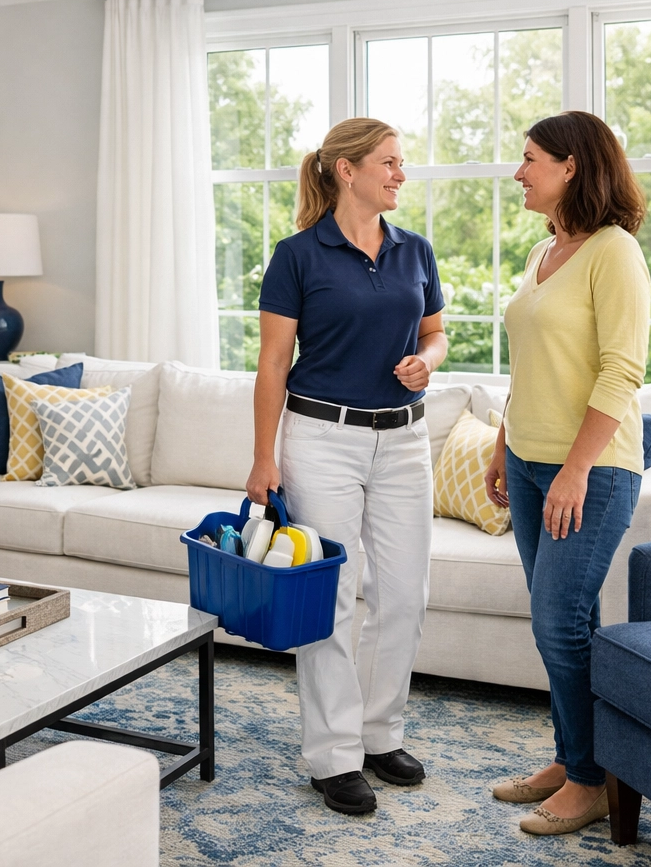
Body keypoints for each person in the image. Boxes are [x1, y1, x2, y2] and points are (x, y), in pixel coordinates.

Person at [248, 117, 447, 816]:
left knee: (404, 595)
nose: (400, 174)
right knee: (334, 597)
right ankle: (333, 756)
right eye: (389, 162)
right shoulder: (297, 255)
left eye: (401, 163)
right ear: (346, 170)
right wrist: (262, 458)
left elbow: (435, 331)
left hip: (404, 441)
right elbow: (274, 363)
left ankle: (379, 733)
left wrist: (431, 361)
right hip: (320, 439)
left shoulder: (414, 249)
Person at [483, 110, 650, 835]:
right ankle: (575, 756)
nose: (519, 172)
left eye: (529, 159)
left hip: (591, 469)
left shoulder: (614, 252)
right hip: (526, 461)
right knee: (565, 619)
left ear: (571, 166)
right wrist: (501, 439)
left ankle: (590, 781)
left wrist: (576, 469)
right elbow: (533, 366)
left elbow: (622, 371)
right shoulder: (545, 250)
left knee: (558, 622)